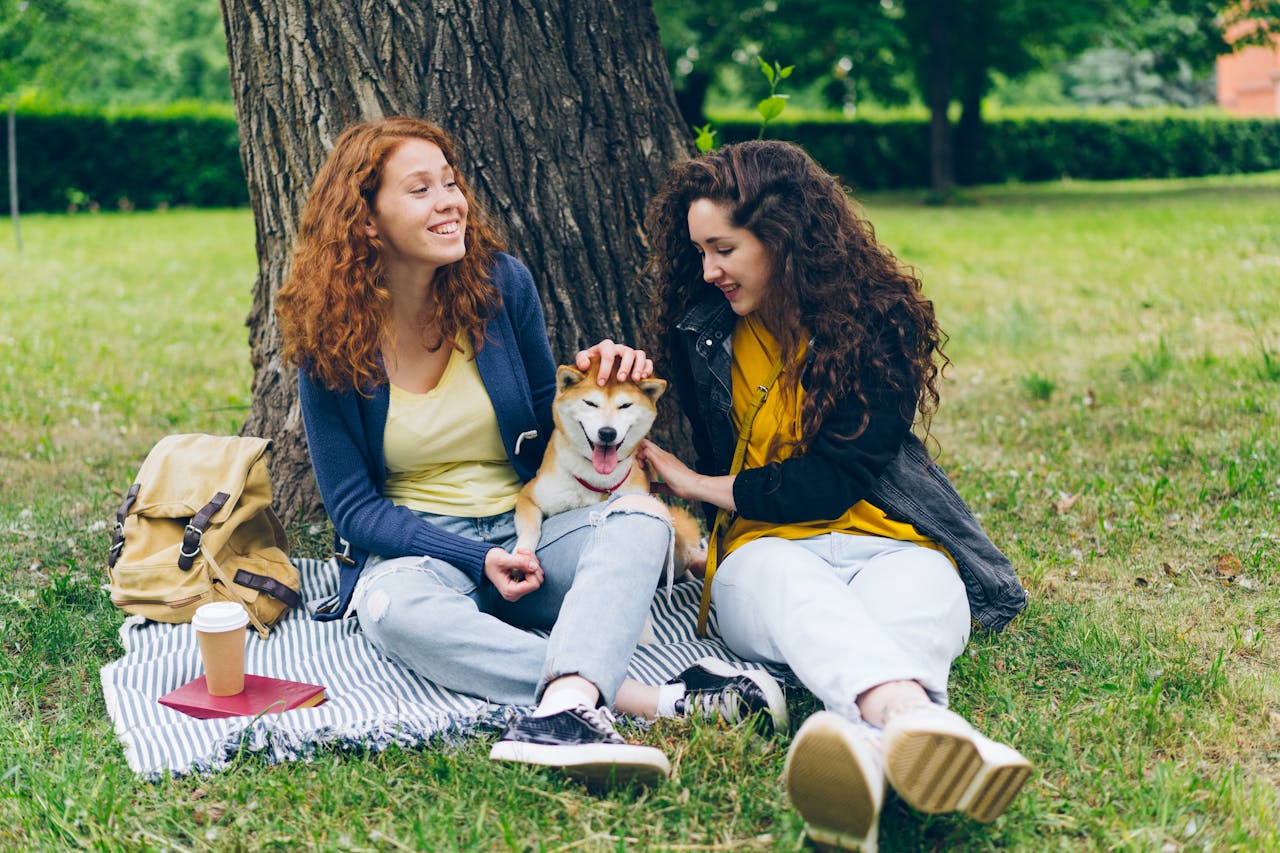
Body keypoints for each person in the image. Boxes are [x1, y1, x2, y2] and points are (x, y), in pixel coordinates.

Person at [275, 117, 787, 786]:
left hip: (536, 534)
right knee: (387, 611)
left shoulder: (499, 286)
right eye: (420, 189)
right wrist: (476, 557)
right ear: (367, 221)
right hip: (424, 554)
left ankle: (567, 708)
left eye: (451, 184)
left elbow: (549, 426)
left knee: (642, 520)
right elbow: (352, 511)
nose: (450, 201)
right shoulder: (328, 339)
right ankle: (639, 699)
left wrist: (596, 385)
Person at [638, 140, 1032, 846]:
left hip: (890, 539)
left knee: (919, 595)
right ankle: (925, 725)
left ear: (781, 237)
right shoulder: (702, 329)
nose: (708, 270)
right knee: (795, 584)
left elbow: (830, 480)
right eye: (699, 252)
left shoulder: (880, 320)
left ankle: (869, 755)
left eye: (723, 248)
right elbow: (782, 501)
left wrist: (700, 485)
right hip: (763, 552)